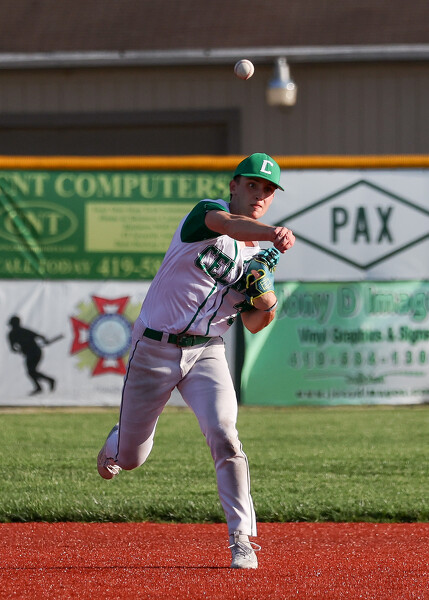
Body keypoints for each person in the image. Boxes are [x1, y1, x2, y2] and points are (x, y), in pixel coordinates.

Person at [97, 153, 295, 568]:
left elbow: (255, 323)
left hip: (207, 351)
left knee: (225, 435)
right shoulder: (207, 213)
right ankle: (120, 439)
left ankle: (241, 539)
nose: (260, 194)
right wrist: (271, 234)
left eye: (268, 190)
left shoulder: (257, 257)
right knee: (131, 459)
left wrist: (267, 299)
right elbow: (231, 226)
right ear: (234, 186)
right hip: (154, 347)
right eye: (252, 185)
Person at [7, 315, 56, 395]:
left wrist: (45, 340)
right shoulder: (16, 333)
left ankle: (44, 384)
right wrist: (19, 350)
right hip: (32, 353)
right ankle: (46, 382)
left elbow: (40, 336)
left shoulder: (15, 333)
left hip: (35, 352)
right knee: (31, 371)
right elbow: (13, 348)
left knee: (31, 371)